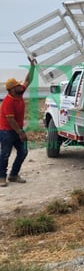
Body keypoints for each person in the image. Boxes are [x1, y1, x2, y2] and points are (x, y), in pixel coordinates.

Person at [0, 59, 36, 187]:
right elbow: (10, 120)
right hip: (7, 131)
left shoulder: (19, 94)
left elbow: (28, 80)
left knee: (23, 152)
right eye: (17, 86)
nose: (20, 86)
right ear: (11, 89)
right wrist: (20, 133)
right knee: (5, 154)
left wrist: (32, 67)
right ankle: (2, 177)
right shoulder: (8, 102)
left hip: (17, 129)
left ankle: (13, 175)